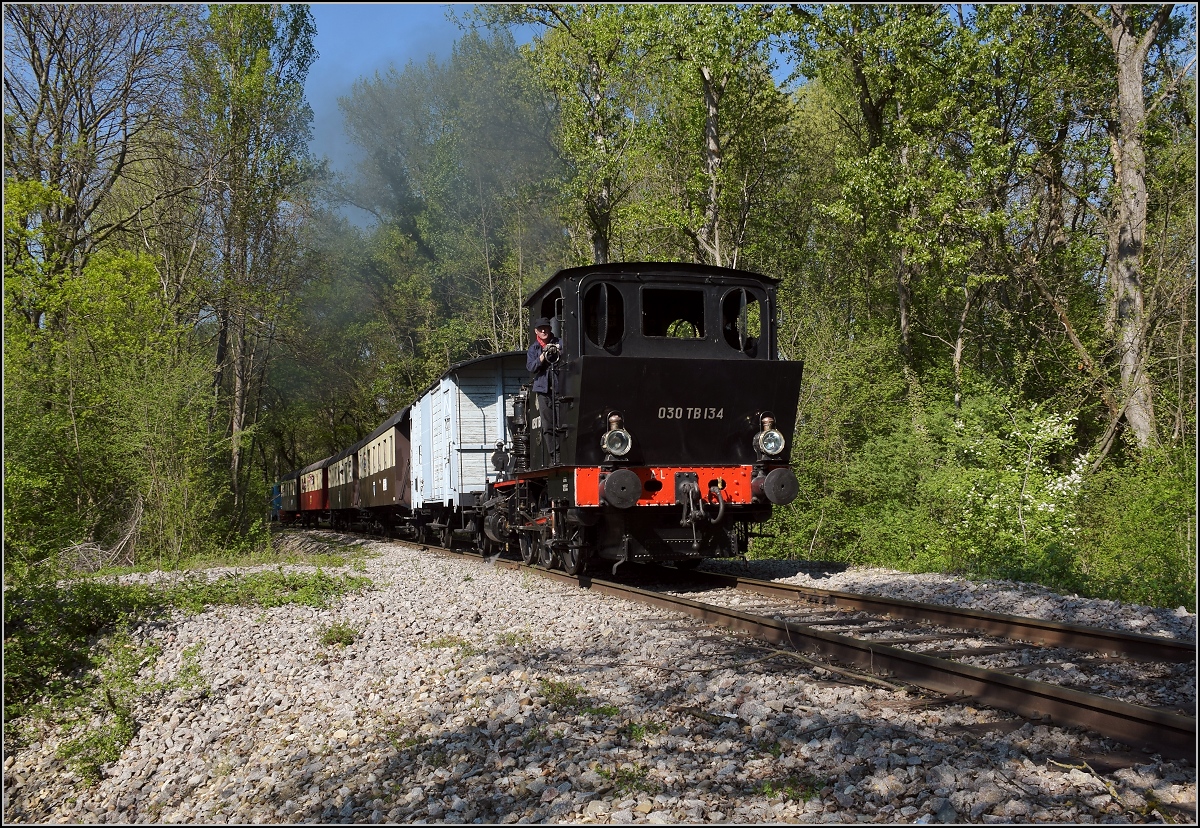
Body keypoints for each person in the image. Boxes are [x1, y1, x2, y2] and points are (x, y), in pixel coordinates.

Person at [526, 316, 560, 460]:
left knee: (562, 422)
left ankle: (565, 452)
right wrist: (542, 356)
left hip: (560, 388)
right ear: (536, 331)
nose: (544, 331)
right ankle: (554, 456)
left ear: (550, 329)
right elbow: (530, 367)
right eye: (541, 329)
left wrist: (558, 350)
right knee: (547, 426)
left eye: (546, 328)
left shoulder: (560, 343)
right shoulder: (533, 349)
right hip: (543, 391)